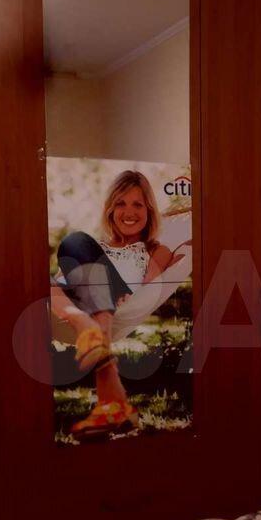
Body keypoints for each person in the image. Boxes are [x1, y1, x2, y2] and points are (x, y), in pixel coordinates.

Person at [51, 169, 184, 440]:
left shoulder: (154, 249)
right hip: (79, 299)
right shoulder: (94, 247)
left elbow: (151, 283)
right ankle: (112, 399)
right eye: (121, 203)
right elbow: (58, 284)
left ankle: (90, 331)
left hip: (118, 295)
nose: (129, 212)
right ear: (110, 210)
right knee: (67, 253)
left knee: (75, 240)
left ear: (149, 210)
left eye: (138, 204)